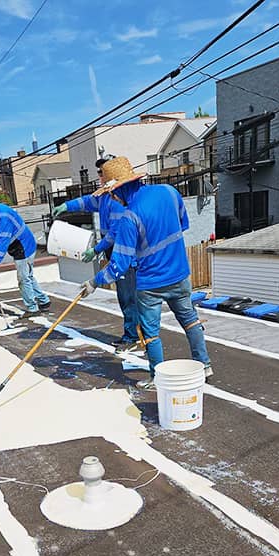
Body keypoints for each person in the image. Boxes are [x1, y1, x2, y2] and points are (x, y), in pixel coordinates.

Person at [80, 157, 212, 390]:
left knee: (150, 334)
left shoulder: (130, 216)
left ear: (119, 189)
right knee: (190, 321)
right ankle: (204, 364)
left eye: (112, 192)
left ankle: (158, 377)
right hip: (180, 274)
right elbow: (183, 225)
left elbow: (118, 266)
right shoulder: (169, 191)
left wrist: (94, 281)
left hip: (151, 284)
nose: (112, 197)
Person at [52, 157, 140, 353]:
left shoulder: (118, 200)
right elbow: (86, 202)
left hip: (123, 250)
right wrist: (67, 206)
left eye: (102, 173)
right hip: (112, 248)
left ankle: (133, 336)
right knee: (125, 294)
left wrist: (97, 249)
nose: (100, 176)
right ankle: (135, 333)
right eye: (100, 172)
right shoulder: (104, 196)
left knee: (128, 296)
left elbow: (116, 233)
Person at [0, 197, 50, 319]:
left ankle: (32, 308)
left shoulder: (4, 219)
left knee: (23, 278)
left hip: (24, 247)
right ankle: (44, 301)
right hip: (21, 245)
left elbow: (3, 244)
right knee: (28, 276)